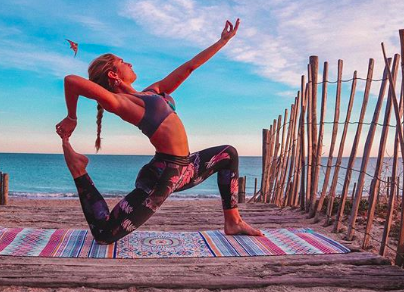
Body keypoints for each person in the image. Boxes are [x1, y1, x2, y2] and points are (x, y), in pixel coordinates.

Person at [56, 19, 263, 244]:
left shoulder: (151, 92)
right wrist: (71, 117)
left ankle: (233, 221)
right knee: (105, 234)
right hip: (164, 175)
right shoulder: (121, 103)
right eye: (123, 62)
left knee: (228, 154)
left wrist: (222, 41)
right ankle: (79, 170)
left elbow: (189, 67)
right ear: (113, 76)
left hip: (186, 167)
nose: (130, 64)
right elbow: (71, 81)